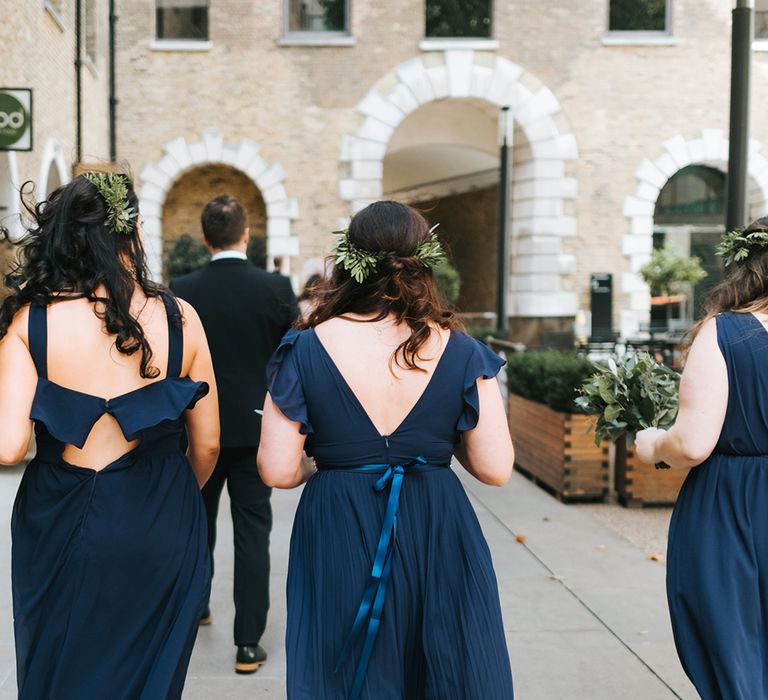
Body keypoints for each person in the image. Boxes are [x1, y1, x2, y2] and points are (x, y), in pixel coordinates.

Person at [258, 201, 515, 699]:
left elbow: (277, 468)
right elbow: (496, 467)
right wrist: (440, 439)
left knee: (345, 662)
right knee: (442, 666)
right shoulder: (459, 349)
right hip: (436, 518)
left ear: (348, 261)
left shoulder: (305, 346)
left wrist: (330, 458)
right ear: (424, 260)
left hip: (338, 516)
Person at [0, 172, 219, 699]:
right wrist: (171, 494)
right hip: (161, 516)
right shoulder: (180, 318)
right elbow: (209, 442)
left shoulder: (32, 323)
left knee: (61, 668)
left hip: (59, 518)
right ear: (132, 232)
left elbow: (7, 447)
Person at [636, 216, 768, 700]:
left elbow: (692, 444)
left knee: (735, 654)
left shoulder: (726, 333)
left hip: (734, 507)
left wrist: (651, 443)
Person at [170, 195, 297, 674]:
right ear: (246, 235)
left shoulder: (183, 289)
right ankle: (248, 643)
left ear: (205, 238)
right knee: (252, 533)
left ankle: (197, 606)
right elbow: (290, 359)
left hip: (196, 429)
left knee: (196, 526)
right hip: (255, 430)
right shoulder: (275, 287)